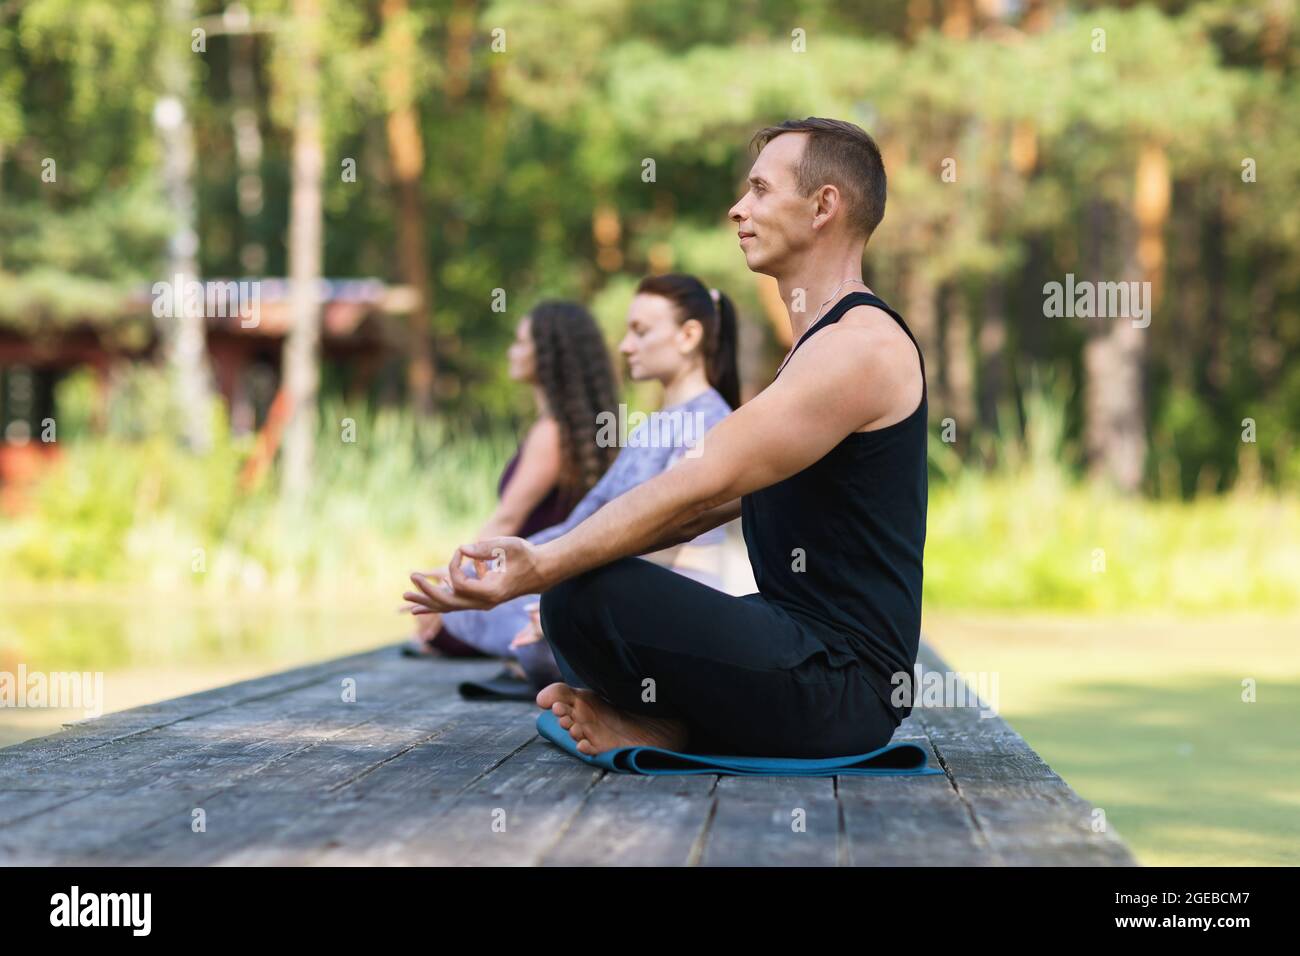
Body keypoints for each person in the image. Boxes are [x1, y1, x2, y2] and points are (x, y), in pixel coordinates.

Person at [405, 117, 927, 760]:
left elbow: (702, 482)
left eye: (760, 190)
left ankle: (664, 723)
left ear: (823, 206)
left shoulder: (860, 347)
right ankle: (663, 720)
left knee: (582, 591)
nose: (739, 208)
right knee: (579, 585)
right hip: (803, 657)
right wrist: (557, 563)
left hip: (845, 689)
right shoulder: (818, 349)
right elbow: (700, 511)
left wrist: (546, 565)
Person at [407, 273, 742, 695]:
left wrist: (559, 593)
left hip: (663, 600)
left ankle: (561, 648)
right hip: (608, 582)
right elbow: (584, 521)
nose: (624, 346)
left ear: (688, 335)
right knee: (471, 610)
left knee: (531, 622)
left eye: (639, 331)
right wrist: (495, 567)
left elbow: (669, 545)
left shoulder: (712, 423)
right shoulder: (650, 427)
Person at [403, 300, 619, 657]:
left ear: (548, 356)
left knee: (438, 623)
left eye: (521, 342)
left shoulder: (550, 434)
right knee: (434, 621)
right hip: (543, 585)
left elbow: (506, 520)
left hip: (529, 589)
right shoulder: (570, 431)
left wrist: (451, 581)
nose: (512, 351)